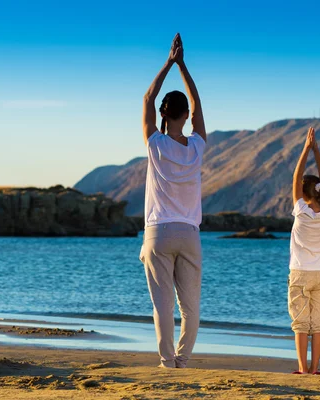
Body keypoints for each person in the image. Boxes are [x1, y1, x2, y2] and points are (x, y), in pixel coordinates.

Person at [139, 33, 207, 368]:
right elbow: (198, 106)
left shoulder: (155, 144)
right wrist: (184, 66)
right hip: (189, 234)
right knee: (190, 307)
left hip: (158, 233)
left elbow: (148, 97)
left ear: (165, 115)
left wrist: (168, 61)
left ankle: (168, 362)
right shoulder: (196, 147)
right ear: (184, 116)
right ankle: (184, 358)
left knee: (162, 305)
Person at [288, 126, 320, 375]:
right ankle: (315, 369)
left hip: (300, 273)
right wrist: (317, 151)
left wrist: (306, 149)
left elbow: (296, 178)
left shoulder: (301, 211)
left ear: (303, 194)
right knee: (317, 326)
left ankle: (302, 369)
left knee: (300, 325)